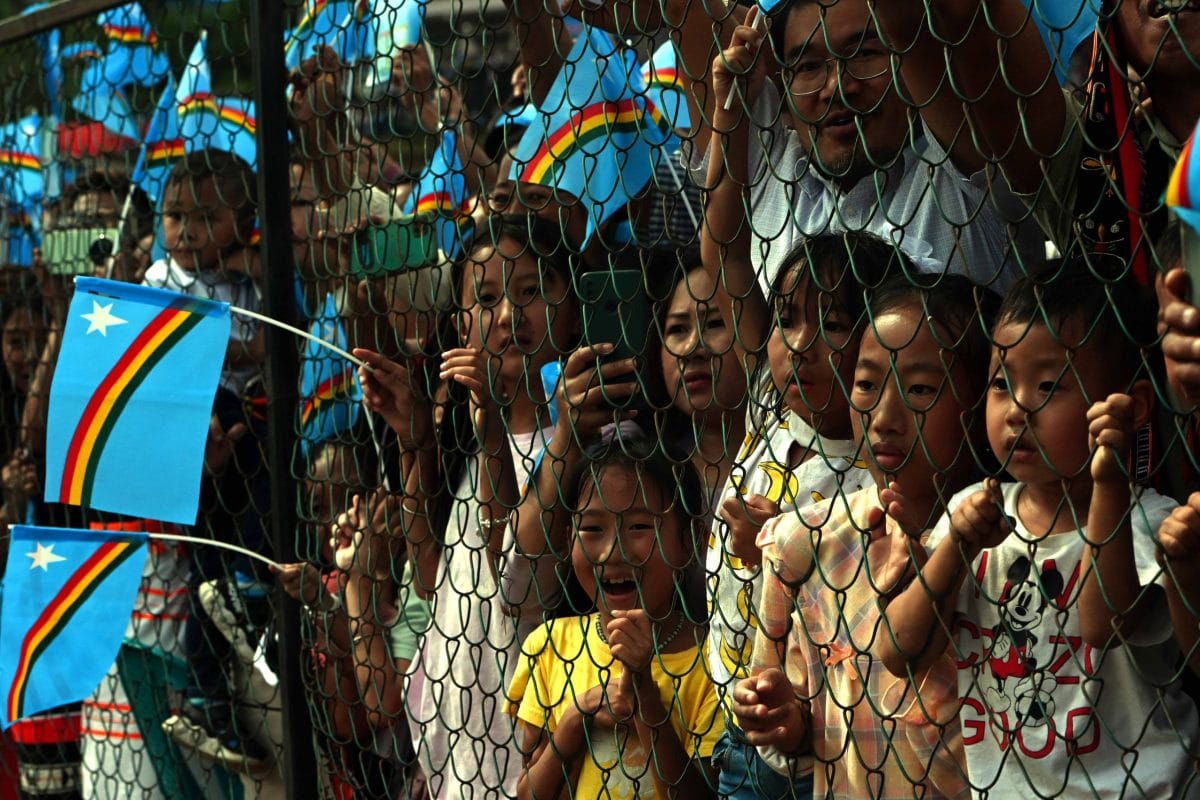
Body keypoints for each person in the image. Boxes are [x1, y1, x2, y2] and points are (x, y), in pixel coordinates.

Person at [878, 266, 1200, 796]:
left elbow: (1103, 623)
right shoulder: (973, 510)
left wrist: (1109, 481)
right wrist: (957, 546)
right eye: (1001, 384)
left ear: (1131, 406)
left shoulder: (1150, 522)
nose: (1018, 409)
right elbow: (899, 651)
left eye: (1050, 386)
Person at [736, 274, 997, 797]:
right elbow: (791, 718)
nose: (884, 418)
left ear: (981, 403)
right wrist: (786, 721)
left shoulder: (1011, 551)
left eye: (920, 389)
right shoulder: (806, 543)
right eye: (867, 384)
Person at [355, 211, 580, 799]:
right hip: (463, 740)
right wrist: (414, 443)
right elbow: (434, 577)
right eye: (485, 299)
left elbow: (516, 583)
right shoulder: (463, 441)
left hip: (540, 738)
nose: (508, 316)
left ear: (573, 307)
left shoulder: (585, 442)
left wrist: (492, 430)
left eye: (531, 291)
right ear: (461, 326)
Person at [700, 232, 893, 798]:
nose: (800, 344)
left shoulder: (872, 475)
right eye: (786, 319)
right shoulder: (772, 404)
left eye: (832, 325)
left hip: (812, 744)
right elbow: (723, 253)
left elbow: (852, 612)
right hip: (736, 717)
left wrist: (770, 547)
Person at [700, 0, 1045, 297]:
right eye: (808, 66)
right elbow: (723, 257)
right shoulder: (777, 173)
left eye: (864, 53)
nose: (836, 87)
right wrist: (728, 111)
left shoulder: (966, 168)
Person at [507, 433, 720, 799]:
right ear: (568, 538)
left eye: (639, 527)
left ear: (691, 540)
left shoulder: (715, 663)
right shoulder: (551, 645)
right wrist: (574, 720)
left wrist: (645, 697)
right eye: (592, 529)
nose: (612, 551)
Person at [150, 151, 273, 773]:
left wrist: (248, 261)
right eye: (175, 216)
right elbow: (178, 348)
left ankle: (207, 689)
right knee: (208, 553)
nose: (187, 232)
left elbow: (275, 335)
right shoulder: (160, 279)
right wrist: (247, 347)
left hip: (246, 421)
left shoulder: (248, 279)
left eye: (205, 218)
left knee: (215, 560)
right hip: (193, 421)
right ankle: (240, 599)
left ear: (244, 223)